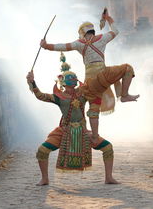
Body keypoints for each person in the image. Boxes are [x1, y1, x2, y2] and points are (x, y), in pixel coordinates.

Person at [40, 10, 139, 144]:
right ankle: (125, 94)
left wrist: (46, 46)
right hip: (103, 75)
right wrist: (108, 18)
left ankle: (95, 136)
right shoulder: (102, 38)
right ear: (92, 31)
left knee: (94, 106)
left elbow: (62, 46)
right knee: (127, 68)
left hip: (89, 82)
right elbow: (115, 31)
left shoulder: (79, 43)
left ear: (82, 33)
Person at [27, 53, 118, 185]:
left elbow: (95, 90)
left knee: (108, 147)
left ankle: (109, 177)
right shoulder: (58, 97)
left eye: (74, 78)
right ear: (63, 83)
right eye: (71, 79)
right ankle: (45, 178)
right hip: (64, 131)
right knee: (42, 151)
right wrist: (32, 82)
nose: (73, 81)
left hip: (82, 131)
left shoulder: (83, 93)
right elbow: (40, 96)